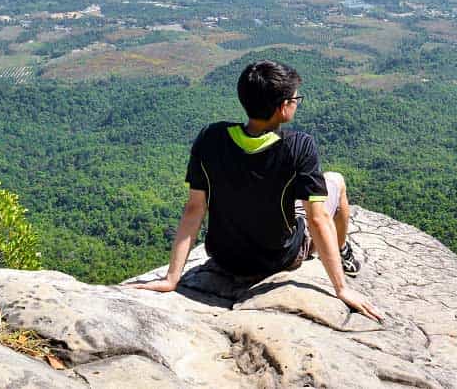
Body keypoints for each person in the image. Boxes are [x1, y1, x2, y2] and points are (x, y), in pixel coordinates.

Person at [132, 60, 382, 322]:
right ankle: (342, 253)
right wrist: (341, 289)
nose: (297, 102)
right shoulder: (299, 145)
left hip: (225, 258)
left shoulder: (210, 137)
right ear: (283, 107)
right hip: (278, 258)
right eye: (296, 98)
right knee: (336, 181)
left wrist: (173, 278)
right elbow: (317, 219)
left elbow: (194, 209)